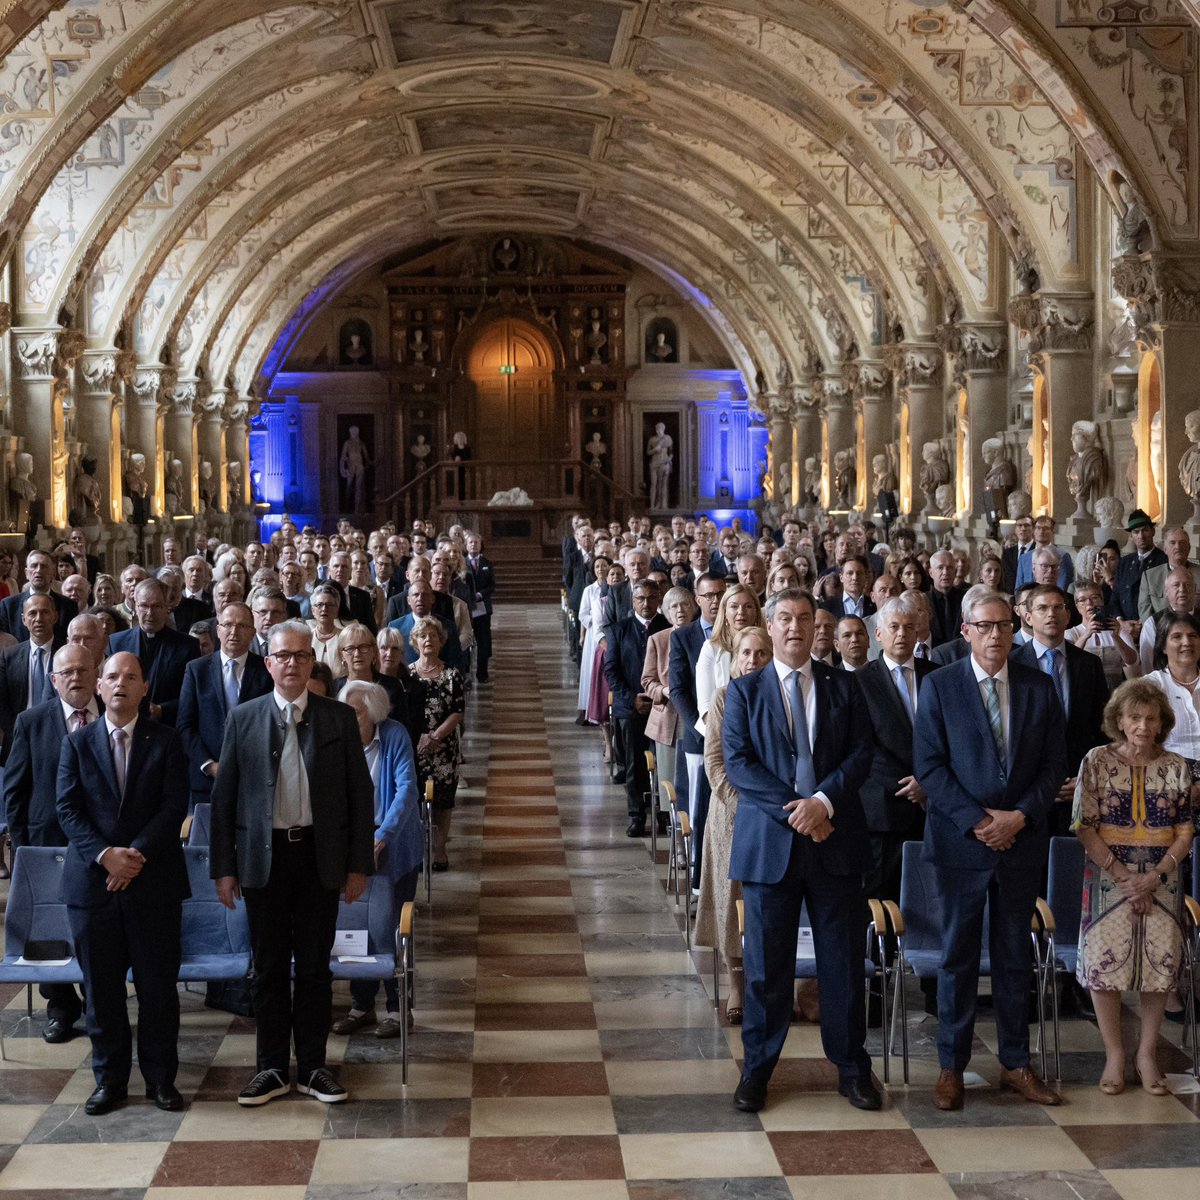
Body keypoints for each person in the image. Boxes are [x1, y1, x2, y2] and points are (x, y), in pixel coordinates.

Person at [722, 588, 876, 1114]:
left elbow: (861, 754)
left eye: (804, 619)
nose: (794, 627)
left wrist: (824, 803)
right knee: (767, 968)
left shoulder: (845, 686)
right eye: (784, 618)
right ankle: (758, 1072)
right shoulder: (744, 691)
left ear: (817, 627)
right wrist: (800, 809)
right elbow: (740, 764)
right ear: (769, 625)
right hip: (772, 846)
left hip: (835, 842)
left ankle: (852, 1068)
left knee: (842, 964)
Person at [913, 588, 1067, 1112]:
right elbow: (930, 767)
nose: (996, 634)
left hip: (1021, 842)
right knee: (956, 957)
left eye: (1004, 625)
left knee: (1012, 957)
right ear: (966, 630)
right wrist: (981, 821)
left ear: (1013, 629)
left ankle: (1016, 1063)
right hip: (961, 843)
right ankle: (951, 1068)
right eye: (985, 626)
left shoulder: (1039, 687)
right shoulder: (938, 686)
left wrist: (1019, 816)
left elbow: (1053, 767)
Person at [210, 620, 374, 1106]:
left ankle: (315, 1067)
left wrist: (357, 865)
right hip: (264, 860)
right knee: (268, 969)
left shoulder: (338, 718)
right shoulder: (244, 718)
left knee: (315, 971)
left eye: (302, 656)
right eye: (283, 656)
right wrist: (224, 867)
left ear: (312, 662)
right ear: (269, 663)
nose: (292, 664)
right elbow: (224, 801)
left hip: (320, 859)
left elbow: (359, 797)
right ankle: (272, 1069)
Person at [56, 652, 190, 1115]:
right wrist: (106, 855)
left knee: (157, 991)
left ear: (144, 687)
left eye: (130, 677)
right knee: (102, 992)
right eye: (111, 676)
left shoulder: (168, 741)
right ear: (98, 686)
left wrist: (134, 855)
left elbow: (175, 805)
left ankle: (160, 1081)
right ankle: (109, 1080)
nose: (120, 684)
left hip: (153, 884)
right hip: (92, 888)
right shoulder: (76, 744)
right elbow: (68, 809)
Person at [1072, 680, 1193, 1095]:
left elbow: (1185, 831)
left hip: (1163, 878)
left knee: (1160, 967)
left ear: (1162, 723)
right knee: (1106, 967)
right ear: (1119, 721)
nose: (1143, 726)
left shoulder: (1178, 766)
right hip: (1109, 879)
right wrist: (1125, 877)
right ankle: (1115, 1054)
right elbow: (1084, 827)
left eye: (1151, 718)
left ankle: (1146, 1054)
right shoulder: (1096, 761)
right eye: (1135, 717)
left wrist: (1154, 877)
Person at [3, 644, 99, 1042]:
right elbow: (16, 790)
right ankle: (60, 1008)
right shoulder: (31, 721)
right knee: (53, 929)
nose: (75, 678)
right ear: (53, 679)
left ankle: (99, 1003)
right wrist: (25, 851)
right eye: (67, 672)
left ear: (96, 673)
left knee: (97, 928)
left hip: (100, 844)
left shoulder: (115, 714)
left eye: (82, 669)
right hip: (48, 843)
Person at [330, 681, 422, 1039]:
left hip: (395, 843)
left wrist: (381, 837)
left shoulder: (395, 735)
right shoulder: (338, 739)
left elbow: (407, 790)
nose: (349, 718)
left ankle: (399, 1009)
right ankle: (361, 1004)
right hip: (353, 844)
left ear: (375, 712)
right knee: (357, 923)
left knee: (394, 928)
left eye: (356, 712)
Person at [696, 625, 771, 1025]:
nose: (754, 661)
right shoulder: (724, 697)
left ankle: (777, 982)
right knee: (732, 898)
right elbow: (715, 763)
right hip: (734, 812)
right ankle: (737, 985)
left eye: (762, 654)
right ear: (735, 658)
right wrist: (748, 805)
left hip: (776, 814)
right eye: (747, 653)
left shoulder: (780, 695)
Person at [857, 594, 937, 904]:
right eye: (894, 627)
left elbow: (948, 737)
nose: (902, 634)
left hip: (932, 804)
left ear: (918, 632)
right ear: (879, 634)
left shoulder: (937, 676)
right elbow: (864, 746)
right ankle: (879, 954)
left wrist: (928, 781)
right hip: (885, 807)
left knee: (926, 897)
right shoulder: (860, 681)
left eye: (909, 627)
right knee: (881, 897)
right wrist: (910, 784)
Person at [1011, 584, 1108, 837]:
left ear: (1068, 615)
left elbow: (1101, 728)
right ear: (1028, 616)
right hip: (1026, 790)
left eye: (1058, 608)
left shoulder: (1089, 664)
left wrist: (1085, 778)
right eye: (1042, 608)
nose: (1051, 614)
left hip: (1077, 785)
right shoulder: (1011, 665)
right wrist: (1040, 784)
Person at [177, 602, 273, 811]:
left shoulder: (266, 671)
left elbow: (271, 725)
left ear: (252, 632)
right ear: (217, 630)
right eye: (228, 625)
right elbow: (185, 726)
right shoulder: (196, 670)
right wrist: (209, 765)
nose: (234, 632)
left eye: (242, 626)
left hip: (254, 779)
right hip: (205, 782)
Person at [605, 579, 670, 837]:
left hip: (663, 706)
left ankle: (665, 813)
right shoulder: (619, 629)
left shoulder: (667, 628)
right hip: (631, 707)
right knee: (634, 764)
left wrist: (658, 698)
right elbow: (611, 669)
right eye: (640, 598)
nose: (646, 603)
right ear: (633, 601)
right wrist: (631, 698)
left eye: (651, 598)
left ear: (658, 600)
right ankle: (636, 815)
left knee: (664, 764)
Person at [408, 615, 465, 869]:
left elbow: (457, 711)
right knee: (415, 801)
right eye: (423, 636)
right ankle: (418, 849)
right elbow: (403, 712)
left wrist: (436, 736)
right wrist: (420, 736)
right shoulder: (407, 674)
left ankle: (439, 850)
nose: (428, 640)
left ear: (440, 642)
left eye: (433, 636)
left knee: (442, 802)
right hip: (415, 747)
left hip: (443, 749)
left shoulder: (451, 674)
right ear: (415, 642)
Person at [106, 579, 200, 726]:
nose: (150, 613)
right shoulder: (116, 642)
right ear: (135, 607)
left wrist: (162, 709)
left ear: (167, 608)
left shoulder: (187, 646)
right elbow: (107, 687)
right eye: (144, 606)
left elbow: (193, 695)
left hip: (169, 728)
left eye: (157, 606)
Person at [641, 586, 694, 806]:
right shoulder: (658, 639)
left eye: (684, 605)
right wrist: (663, 691)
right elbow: (647, 681)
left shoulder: (703, 637)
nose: (680, 610)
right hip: (669, 717)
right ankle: (673, 827)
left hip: (696, 713)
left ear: (693, 608)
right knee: (672, 782)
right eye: (674, 606)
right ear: (666, 611)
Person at [1113, 509, 1166, 620]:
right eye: (1136, 532)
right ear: (1131, 536)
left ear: (1153, 532)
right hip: (1125, 627)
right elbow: (1115, 597)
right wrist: (1121, 622)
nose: (1141, 536)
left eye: (1145, 530)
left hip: (1151, 626)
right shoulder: (1124, 562)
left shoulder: (1163, 560)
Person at [305, 581, 346, 675]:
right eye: (319, 605)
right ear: (313, 611)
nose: (324, 609)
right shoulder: (306, 638)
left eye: (329, 605)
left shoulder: (345, 637)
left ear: (337, 610)